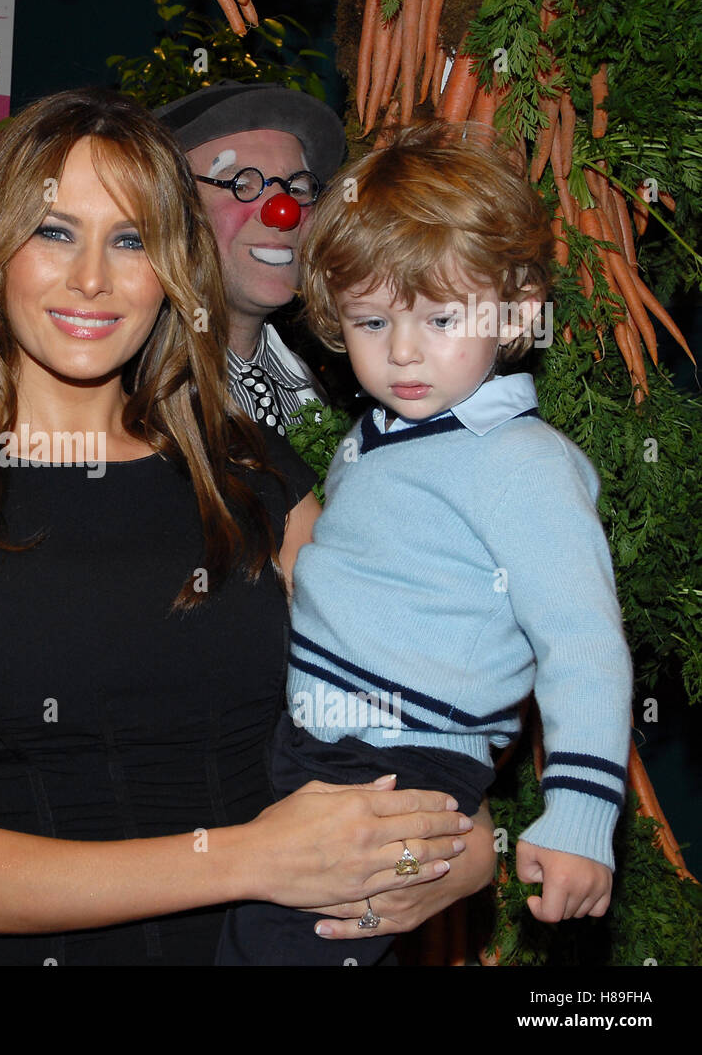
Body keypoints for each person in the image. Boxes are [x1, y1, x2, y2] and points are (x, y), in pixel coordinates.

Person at [0, 88, 495, 966]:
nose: (92, 279)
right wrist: (253, 861)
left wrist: (422, 867)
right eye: (55, 232)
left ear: (174, 271)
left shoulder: (264, 483)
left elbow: (441, 791)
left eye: (132, 239)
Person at [217, 122, 633, 965]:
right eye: (371, 322)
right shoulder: (380, 435)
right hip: (311, 735)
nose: (403, 352)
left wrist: (582, 817)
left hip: (401, 763)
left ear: (514, 309)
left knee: (277, 950)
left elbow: (585, 647)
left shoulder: (522, 462)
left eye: (442, 318)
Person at [155, 81, 346, 435]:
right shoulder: (133, 401)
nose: (283, 211)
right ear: (173, 207)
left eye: (298, 188)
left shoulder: (336, 382)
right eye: (242, 184)